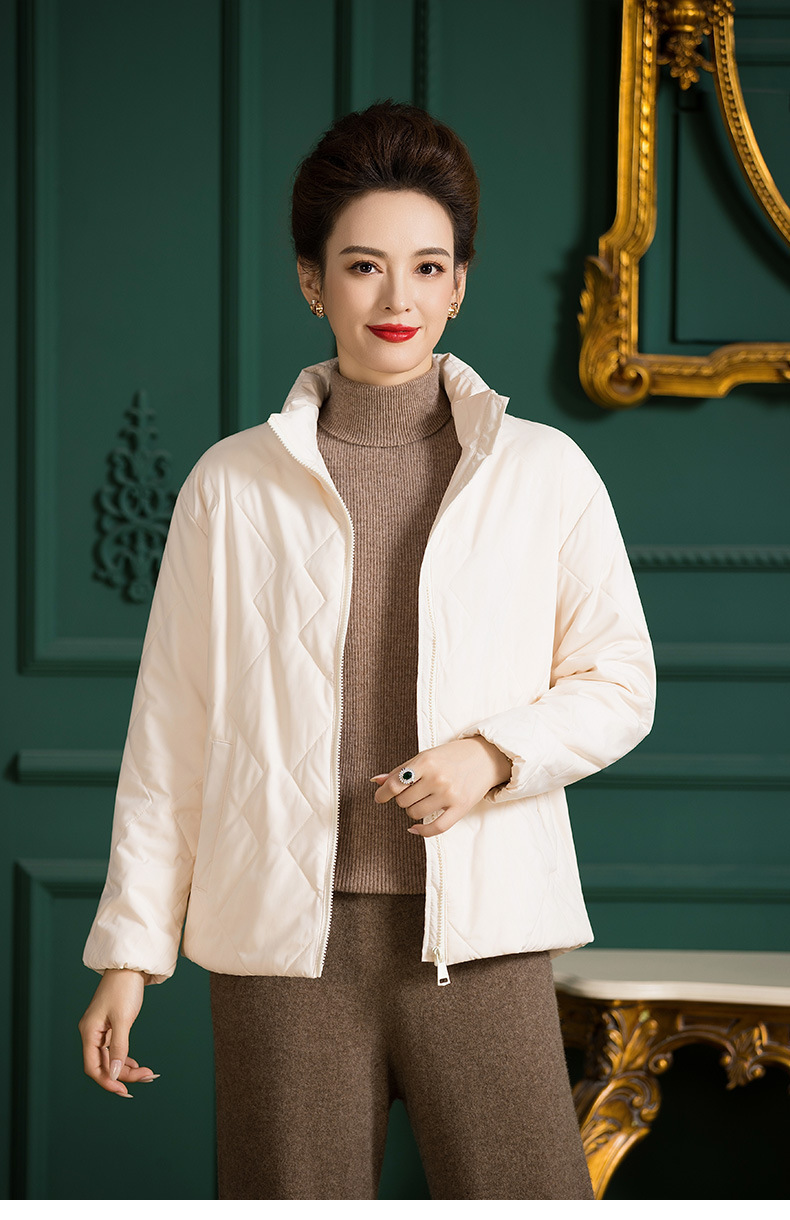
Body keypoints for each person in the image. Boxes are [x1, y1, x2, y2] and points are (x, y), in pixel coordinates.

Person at [78, 100, 655, 1200]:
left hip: (483, 932)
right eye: (363, 266)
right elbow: (172, 733)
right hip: (282, 954)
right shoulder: (229, 485)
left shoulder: (543, 472)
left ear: (460, 283)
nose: (398, 300)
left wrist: (489, 756)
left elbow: (620, 681)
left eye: (428, 267)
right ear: (313, 281)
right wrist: (129, 954)